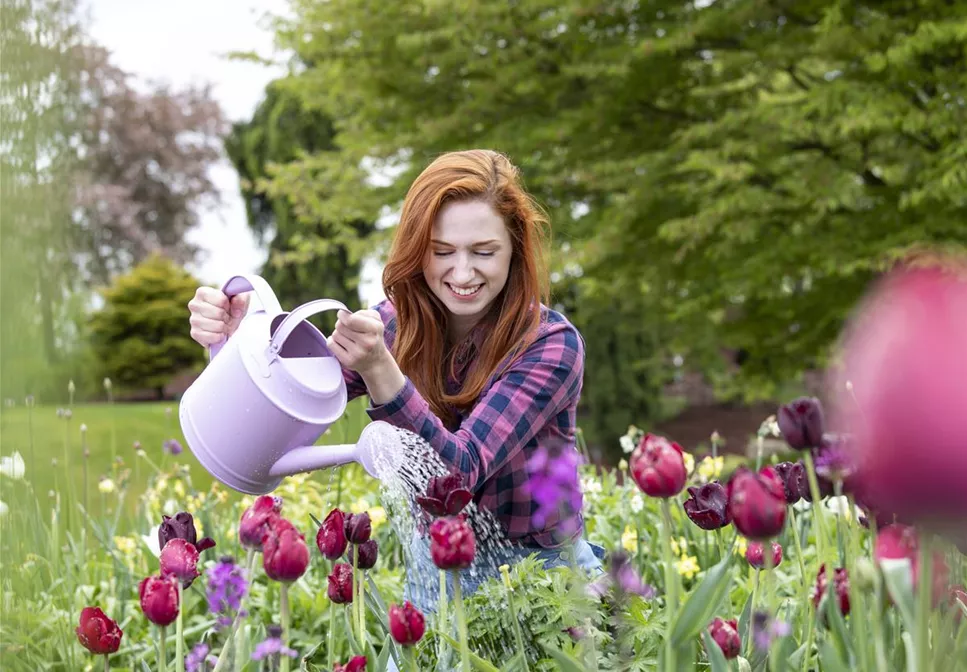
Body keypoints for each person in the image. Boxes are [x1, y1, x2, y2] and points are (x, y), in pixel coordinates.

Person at [188, 149, 604, 613]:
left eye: (484, 252)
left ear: (515, 250)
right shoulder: (397, 324)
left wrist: (383, 371)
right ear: (417, 250)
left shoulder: (549, 346)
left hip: (546, 576)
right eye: (442, 252)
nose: (462, 273)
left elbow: (456, 476)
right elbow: (287, 402)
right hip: (436, 575)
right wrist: (237, 344)